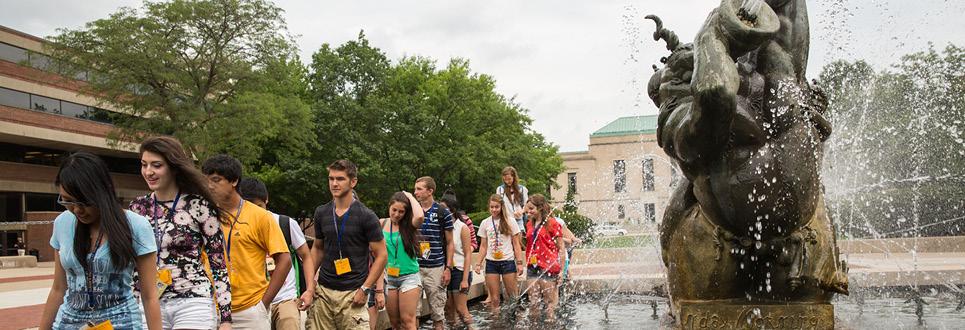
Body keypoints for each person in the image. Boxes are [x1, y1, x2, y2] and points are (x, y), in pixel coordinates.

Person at [39, 152, 162, 329]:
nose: (76, 209)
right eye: (67, 201)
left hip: (120, 321)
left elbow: (149, 295)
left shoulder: (136, 225)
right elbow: (58, 288)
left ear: (101, 193)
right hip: (68, 322)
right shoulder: (62, 223)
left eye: (83, 202)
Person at [128, 136, 232, 329]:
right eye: (144, 165)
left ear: (174, 167)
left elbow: (218, 264)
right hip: (145, 303)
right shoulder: (137, 208)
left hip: (192, 301)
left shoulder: (199, 206)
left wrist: (225, 318)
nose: (148, 172)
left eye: (156, 165)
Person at [203, 154, 291, 329]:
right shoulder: (204, 216)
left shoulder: (260, 216)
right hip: (211, 308)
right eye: (207, 181)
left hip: (250, 310)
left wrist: (262, 305)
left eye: (216, 180)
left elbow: (285, 260)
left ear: (234, 181)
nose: (210, 186)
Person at [307, 160, 387, 330]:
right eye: (331, 178)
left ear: (353, 182)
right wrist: (309, 286)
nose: (334, 183)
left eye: (340, 179)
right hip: (324, 292)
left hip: (353, 293)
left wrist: (365, 289)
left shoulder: (366, 216)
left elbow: (381, 255)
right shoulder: (321, 212)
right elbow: (318, 249)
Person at [237, 178, 316, 330]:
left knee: (290, 321)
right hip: (252, 301)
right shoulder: (237, 227)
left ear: (266, 200)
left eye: (259, 206)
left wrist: (309, 290)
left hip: (284, 298)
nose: (256, 212)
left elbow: (306, 256)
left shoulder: (284, 223)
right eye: (250, 207)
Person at [413, 176, 454, 330]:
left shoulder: (443, 212)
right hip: (413, 267)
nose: (415, 192)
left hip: (435, 267)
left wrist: (448, 268)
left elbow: (450, 243)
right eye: (415, 189)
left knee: (437, 314)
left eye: (419, 189)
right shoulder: (411, 211)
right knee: (413, 313)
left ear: (430, 191)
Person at [474, 194, 523, 315]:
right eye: (492, 207)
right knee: (494, 299)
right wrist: (478, 263)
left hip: (508, 262)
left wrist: (520, 263)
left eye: (497, 207)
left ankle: (515, 322)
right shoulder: (485, 223)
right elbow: (483, 246)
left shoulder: (510, 221)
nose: (494, 209)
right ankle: (496, 323)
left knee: (512, 297)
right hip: (491, 263)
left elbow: (516, 244)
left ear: (502, 207)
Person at [381, 192, 424, 330]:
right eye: (394, 210)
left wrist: (410, 196)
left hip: (409, 277)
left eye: (401, 211)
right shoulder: (381, 223)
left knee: (408, 321)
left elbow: (419, 216)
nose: (397, 214)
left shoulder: (409, 225)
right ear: (389, 207)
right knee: (394, 323)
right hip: (389, 278)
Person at [524, 194, 566, 324]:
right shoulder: (529, 224)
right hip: (533, 266)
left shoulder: (552, 223)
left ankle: (551, 325)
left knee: (550, 305)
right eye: (527, 209)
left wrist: (562, 271)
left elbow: (561, 248)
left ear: (540, 208)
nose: (528, 211)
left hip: (549, 267)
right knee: (534, 303)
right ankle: (534, 326)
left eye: (531, 209)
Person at [445, 206, 474, 329]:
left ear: (451, 210)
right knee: (448, 309)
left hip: (460, 270)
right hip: (447, 270)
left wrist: (465, 279)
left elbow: (468, 254)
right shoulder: (443, 227)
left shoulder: (462, 227)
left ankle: (472, 328)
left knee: (461, 309)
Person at [496, 166, 529, 236]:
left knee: (519, 241)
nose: (507, 181)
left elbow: (527, 205)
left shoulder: (522, 189)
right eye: (505, 179)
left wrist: (521, 212)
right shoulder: (500, 190)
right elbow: (498, 205)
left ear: (514, 177)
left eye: (509, 179)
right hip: (505, 220)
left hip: (518, 220)